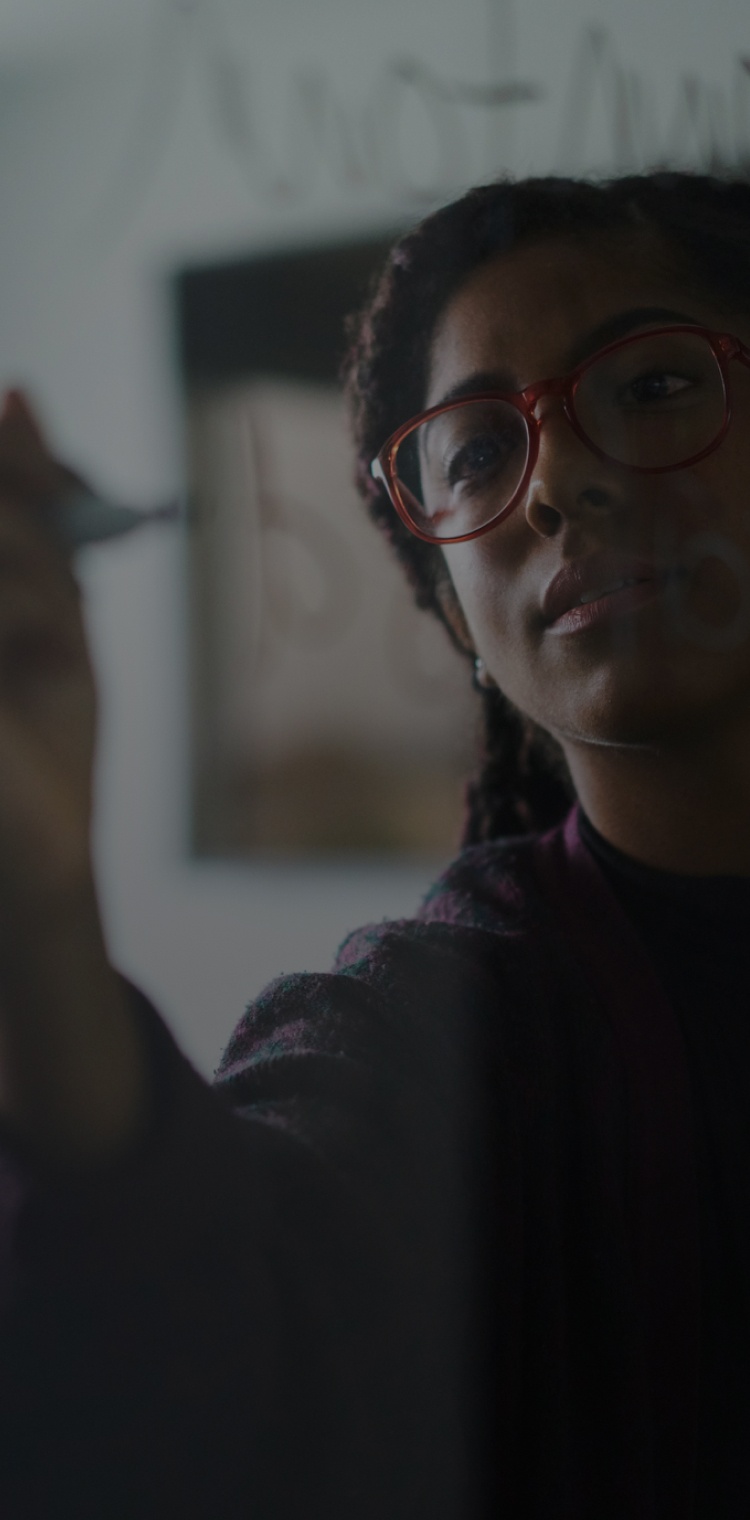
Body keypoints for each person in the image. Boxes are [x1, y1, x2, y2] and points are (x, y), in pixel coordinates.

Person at [0, 169, 748, 1518]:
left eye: (648, 386)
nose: (558, 482)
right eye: (471, 453)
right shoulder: (450, 1023)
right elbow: (188, 1356)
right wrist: (38, 915)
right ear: (455, 615)